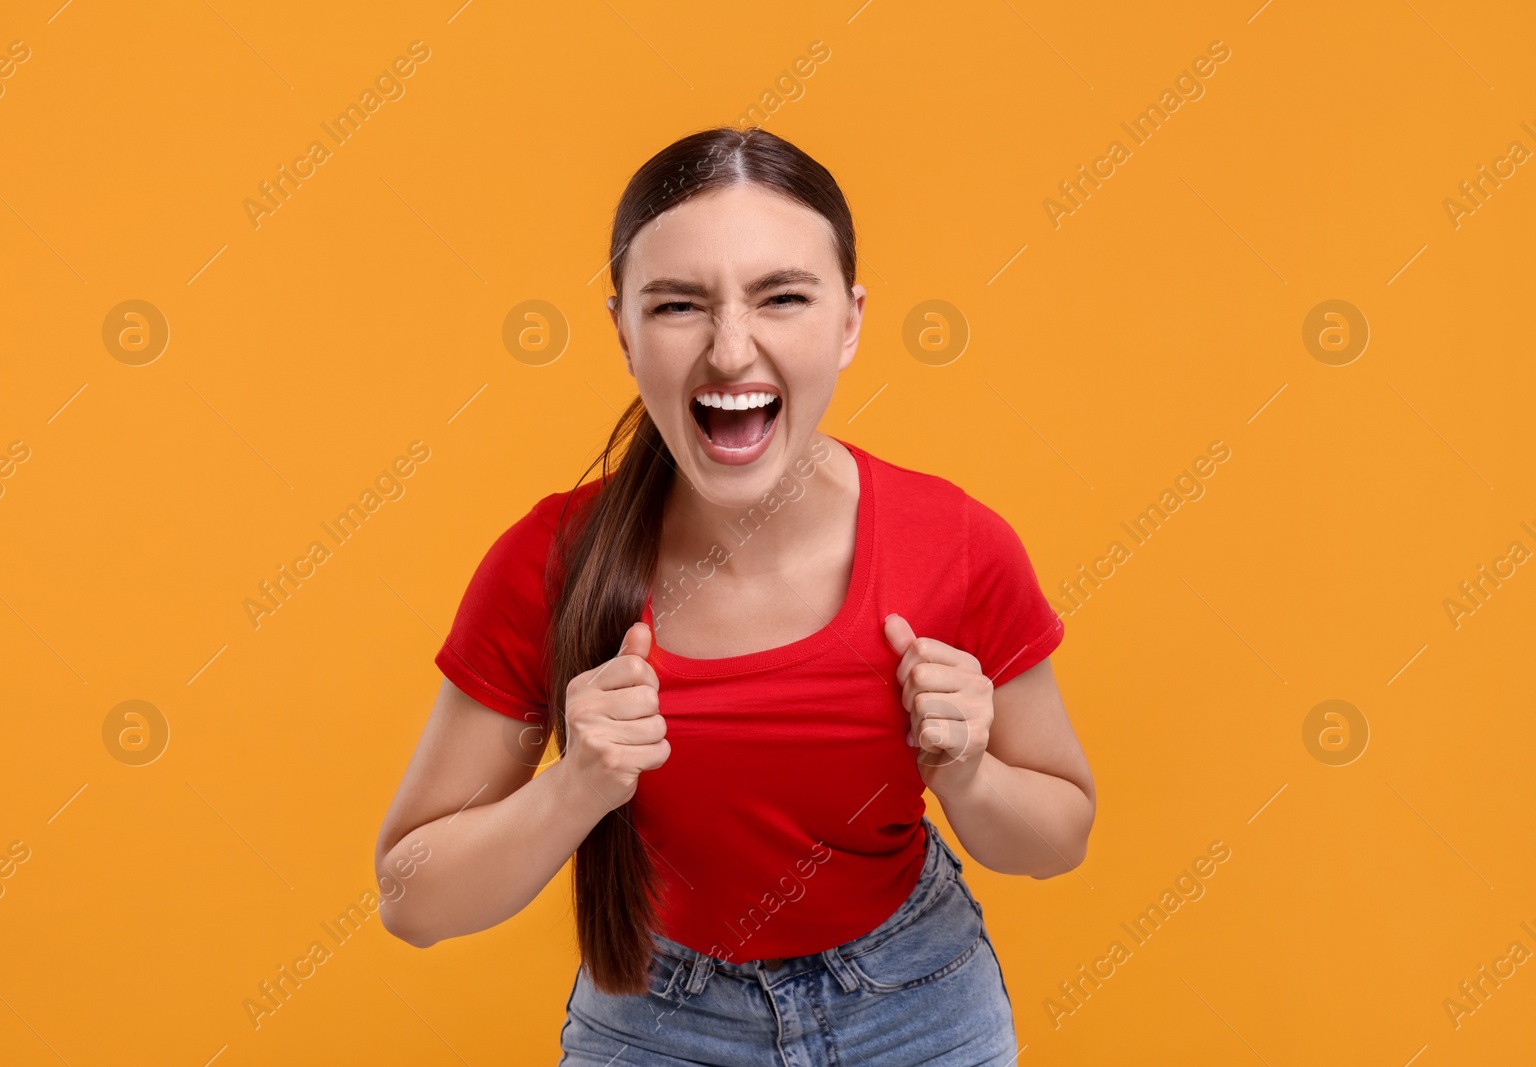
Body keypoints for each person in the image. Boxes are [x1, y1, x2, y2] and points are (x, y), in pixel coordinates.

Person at [374, 126, 1096, 1066]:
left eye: (782, 297)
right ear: (623, 331)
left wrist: (968, 771)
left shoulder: (955, 543)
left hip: (918, 1007)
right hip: (655, 1019)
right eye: (678, 305)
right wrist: (576, 787)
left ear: (848, 321)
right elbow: (412, 902)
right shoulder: (549, 564)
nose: (730, 348)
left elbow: (1059, 838)